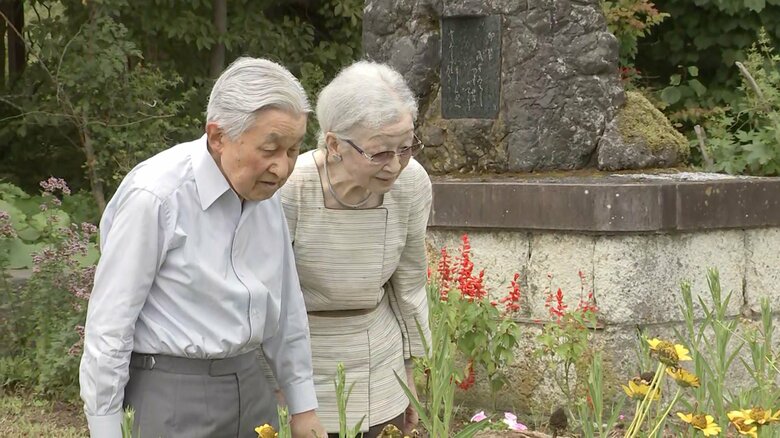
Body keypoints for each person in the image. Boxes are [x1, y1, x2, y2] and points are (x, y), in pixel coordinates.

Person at [79, 57, 327, 438]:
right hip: (171, 397)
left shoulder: (265, 193)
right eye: (270, 149)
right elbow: (110, 326)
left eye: (293, 150)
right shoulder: (156, 196)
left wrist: (303, 407)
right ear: (217, 136)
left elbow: (286, 307)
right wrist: (106, 429)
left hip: (252, 390)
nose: (282, 168)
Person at [279, 61, 432, 436]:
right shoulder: (291, 189)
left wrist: (409, 372)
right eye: (379, 153)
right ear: (334, 145)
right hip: (302, 362)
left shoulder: (411, 184)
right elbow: (270, 297)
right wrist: (285, 396)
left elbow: (409, 283)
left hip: (379, 360)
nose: (395, 165)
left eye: (406, 147)